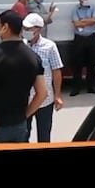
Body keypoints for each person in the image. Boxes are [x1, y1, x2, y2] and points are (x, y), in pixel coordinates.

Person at [0, 11, 47, 143]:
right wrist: (24, 116)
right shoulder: (33, 57)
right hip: (19, 126)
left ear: (5, 27)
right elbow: (42, 93)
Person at [23, 13, 64, 143]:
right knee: (23, 136)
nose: (27, 31)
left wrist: (57, 95)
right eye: (25, 28)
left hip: (45, 100)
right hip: (24, 100)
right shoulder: (21, 45)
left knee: (44, 136)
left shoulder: (49, 46)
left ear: (39, 29)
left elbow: (56, 71)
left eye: (29, 28)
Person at [69, 0, 95, 95]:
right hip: (79, 39)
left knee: (91, 64)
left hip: (91, 38)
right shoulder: (75, 9)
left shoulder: (93, 7)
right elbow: (76, 24)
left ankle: (91, 87)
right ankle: (76, 88)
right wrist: (88, 21)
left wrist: (82, 21)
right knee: (77, 65)